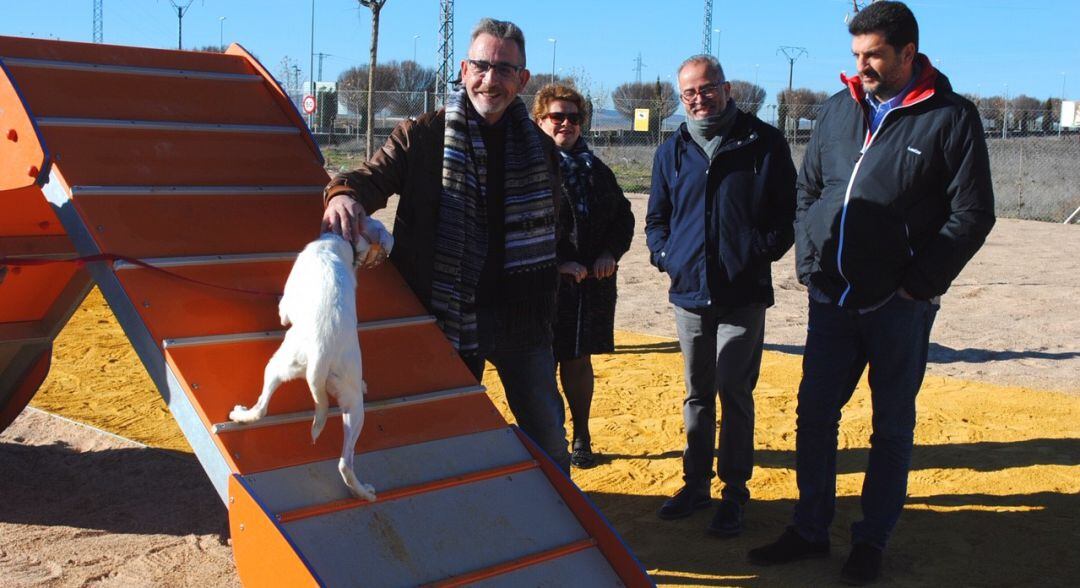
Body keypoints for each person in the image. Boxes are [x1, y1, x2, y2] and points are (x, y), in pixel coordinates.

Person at [747, 2, 995, 584]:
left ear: (908, 53)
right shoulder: (838, 109)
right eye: (856, 54)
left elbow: (972, 213)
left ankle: (871, 541)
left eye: (874, 55)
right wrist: (810, 262)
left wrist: (918, 285)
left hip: (898, 308)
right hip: (831, 300)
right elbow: (809, 190)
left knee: (891, 427)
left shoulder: (950, 117)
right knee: (814, 416)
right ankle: (810, 529)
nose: (862, 66)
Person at [321, 18, 571, 473]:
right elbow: (370, 177)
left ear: (522, 79)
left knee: (549, 438)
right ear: (463, 69)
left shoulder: (540, 148)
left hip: (523, 317)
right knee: (444, 438)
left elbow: (556, 220)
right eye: (481, 66)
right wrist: (343, 194)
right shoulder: (422, 134)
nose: (490, 79)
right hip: (445, 316)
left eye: (504, 69)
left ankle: (568, 512)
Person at [645, 54, 796, 536]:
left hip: (742, 294)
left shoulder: (763, 142)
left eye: (707, 88)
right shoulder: (671, 151)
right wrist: (668, 256)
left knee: (734, 390)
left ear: (727, 89)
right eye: (689, 92)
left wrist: (755, 253)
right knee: (697, 393)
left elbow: (786, 214)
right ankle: (695, 485)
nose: (699, 98)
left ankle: (733, 492)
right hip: (689, 293)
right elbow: (657, 219)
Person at [532, 84, 635, 469]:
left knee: (577, 361)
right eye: (557, 116)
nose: (566, 124)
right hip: (536, 286)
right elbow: (517, 225)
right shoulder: (525, 166)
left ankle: (581, 436)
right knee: (538, 367)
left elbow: (623, 217)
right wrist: (557, 261)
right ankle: (546, 440)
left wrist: (610, 252)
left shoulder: (596, 170)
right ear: (539, 120)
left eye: (574, 118)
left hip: (586, 288)